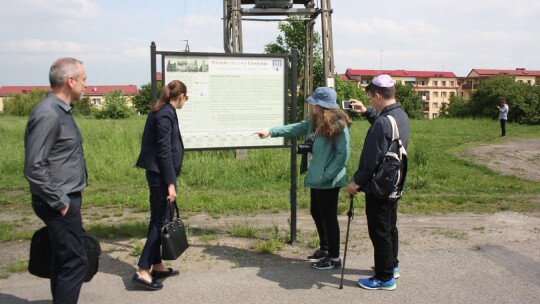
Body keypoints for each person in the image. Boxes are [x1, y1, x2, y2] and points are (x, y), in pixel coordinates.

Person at [255, 87, 352, 270]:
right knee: (317, 212)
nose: (311, 104)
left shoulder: (339, 124)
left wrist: (326, 175)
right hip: (316, 177)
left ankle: (334, 257)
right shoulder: (315, 122)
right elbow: (296, 128)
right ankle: (325, 248)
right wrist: (271, 131)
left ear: (322, 105)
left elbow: (343, 155)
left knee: (329, 217)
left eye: (314, 102)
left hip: (328, 181)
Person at [24, 57, 89, 303]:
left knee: (62, 260)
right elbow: (34, 167)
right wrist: (61, 202)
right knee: (75, 262)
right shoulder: (48, 114)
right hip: (58, 201)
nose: (86, 84)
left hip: (64, 197)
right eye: (83, 79)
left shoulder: (60, 111)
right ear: (70, 81)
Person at [347, 74, 410, 291]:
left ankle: (384, 279)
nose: (370, 101)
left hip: (379, 187)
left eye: (370, 98)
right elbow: (387, 130)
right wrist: (367, 112)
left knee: (379, 231)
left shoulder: (383, 122)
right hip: (394, 183)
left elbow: (370, 160)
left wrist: (355, 182)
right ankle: (391, 266)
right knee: (390, 227)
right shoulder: (401, 116)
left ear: (377, 95)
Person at [132, 80, 188, 290]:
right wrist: (170, 183)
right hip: (160, 176)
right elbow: (164, 151)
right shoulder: (165, 114)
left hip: (159, 175)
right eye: (186, 98)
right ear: (181, 95)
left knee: (159, 219)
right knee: (159, 222)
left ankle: (157, 265)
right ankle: (143, 269)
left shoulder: (162, 111)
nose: (185, 102)